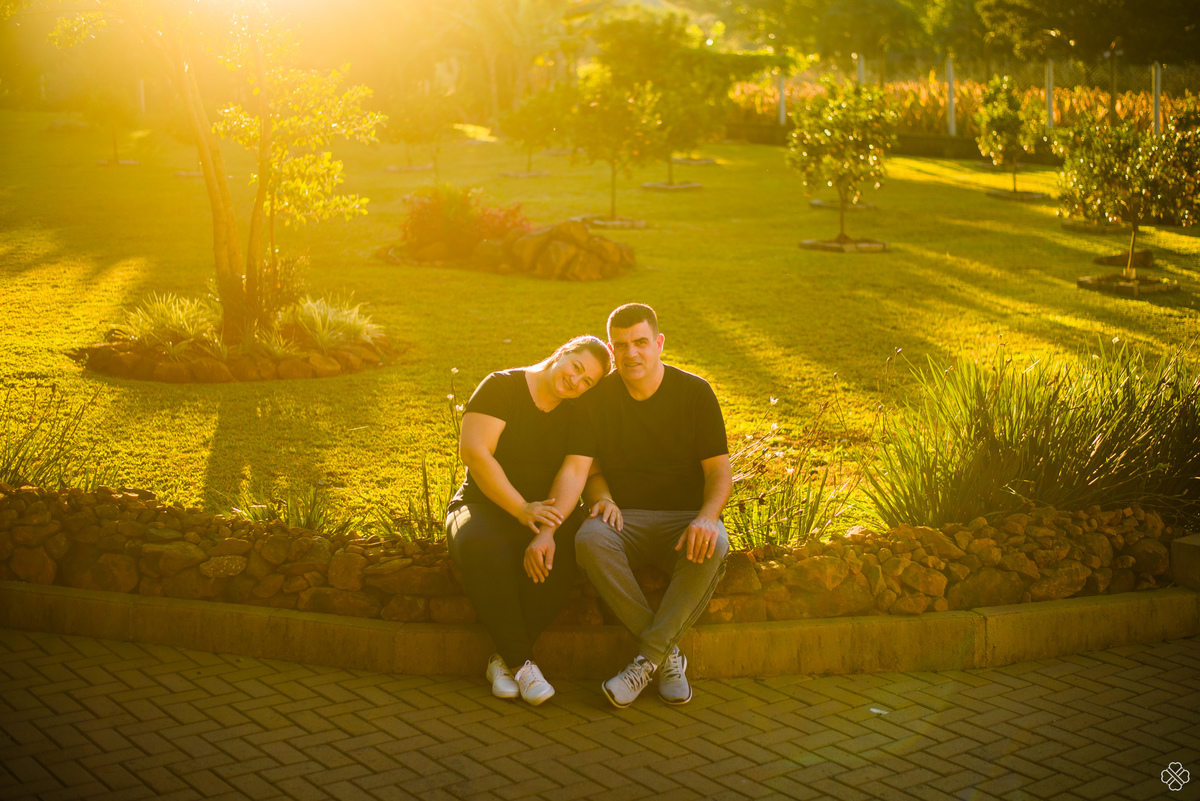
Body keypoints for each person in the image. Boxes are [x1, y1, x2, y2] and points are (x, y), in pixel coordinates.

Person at [573, 303, 732, 708]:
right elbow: (588, 473)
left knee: (713, 542)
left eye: (641, 342)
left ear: (658, 343)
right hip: (624, 518)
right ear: (612, 349)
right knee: (590, 539)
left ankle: (646, 660)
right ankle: (664, 656)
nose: (632, 354)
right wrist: (603, 499)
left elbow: (719, 473)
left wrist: (706, 518)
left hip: (684, 519)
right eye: (622, 345)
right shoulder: (598, 400)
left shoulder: (695, 393)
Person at [445, 335, 610, 706]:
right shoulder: (502, 386)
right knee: (481, 546)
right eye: (577, 368)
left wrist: (547, 531)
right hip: (483, 503)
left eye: (587, 383)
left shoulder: (579, 412)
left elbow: (574, 472)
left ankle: (503, 662)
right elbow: (474, 452)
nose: (576, 383)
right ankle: (523, 665)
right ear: (562, 353)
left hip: (546, 511)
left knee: (568, 552)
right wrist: (521, 508)